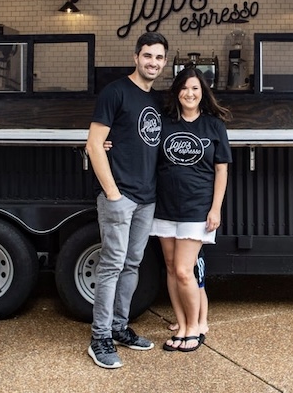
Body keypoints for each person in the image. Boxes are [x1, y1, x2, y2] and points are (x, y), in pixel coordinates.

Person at [85, 31, 168, 369]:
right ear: (136, 57)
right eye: (148, 55)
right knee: (111, 265)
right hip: (121, 196)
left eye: (159, 58)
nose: (153, 62)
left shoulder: (157, 101)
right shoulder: (116, 91)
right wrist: (113, 194)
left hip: (147, 199)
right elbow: (94, 144)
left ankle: (119, 327)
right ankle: (99, 337)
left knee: (132, 265)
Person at [153, 66, 231, 353]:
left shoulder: (213, 126)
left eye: (195, 88)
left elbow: (221, 170)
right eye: (184, 88)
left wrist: (216, 209)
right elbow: (140, 145)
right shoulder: (165, 123)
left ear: (203, 93)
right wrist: (109, 144)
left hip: (197, 208)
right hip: (165, 207)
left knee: (186, 271)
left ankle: (195, 327)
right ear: (177, 92)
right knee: (172, 269)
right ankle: (182, 322)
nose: (190, 93)